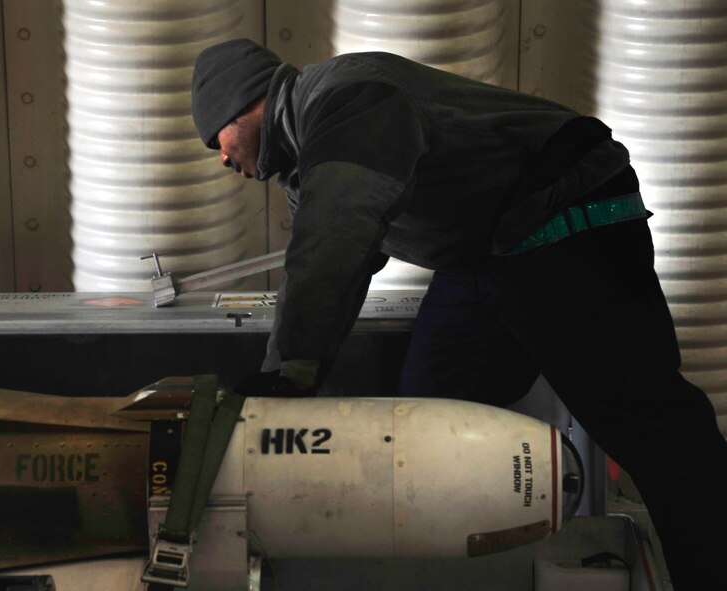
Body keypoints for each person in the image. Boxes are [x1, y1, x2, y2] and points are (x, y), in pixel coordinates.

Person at [190, 38, 727, 588]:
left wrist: (291, 376)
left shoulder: (347, 100)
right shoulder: (309, 165)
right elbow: (336, 272)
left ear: (245, 104)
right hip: (484, 254)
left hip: (563, 218)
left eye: (218, 141)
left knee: (648, 423)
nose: (225, 159)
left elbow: (333, 240)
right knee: (427, 418)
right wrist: (286, 379)